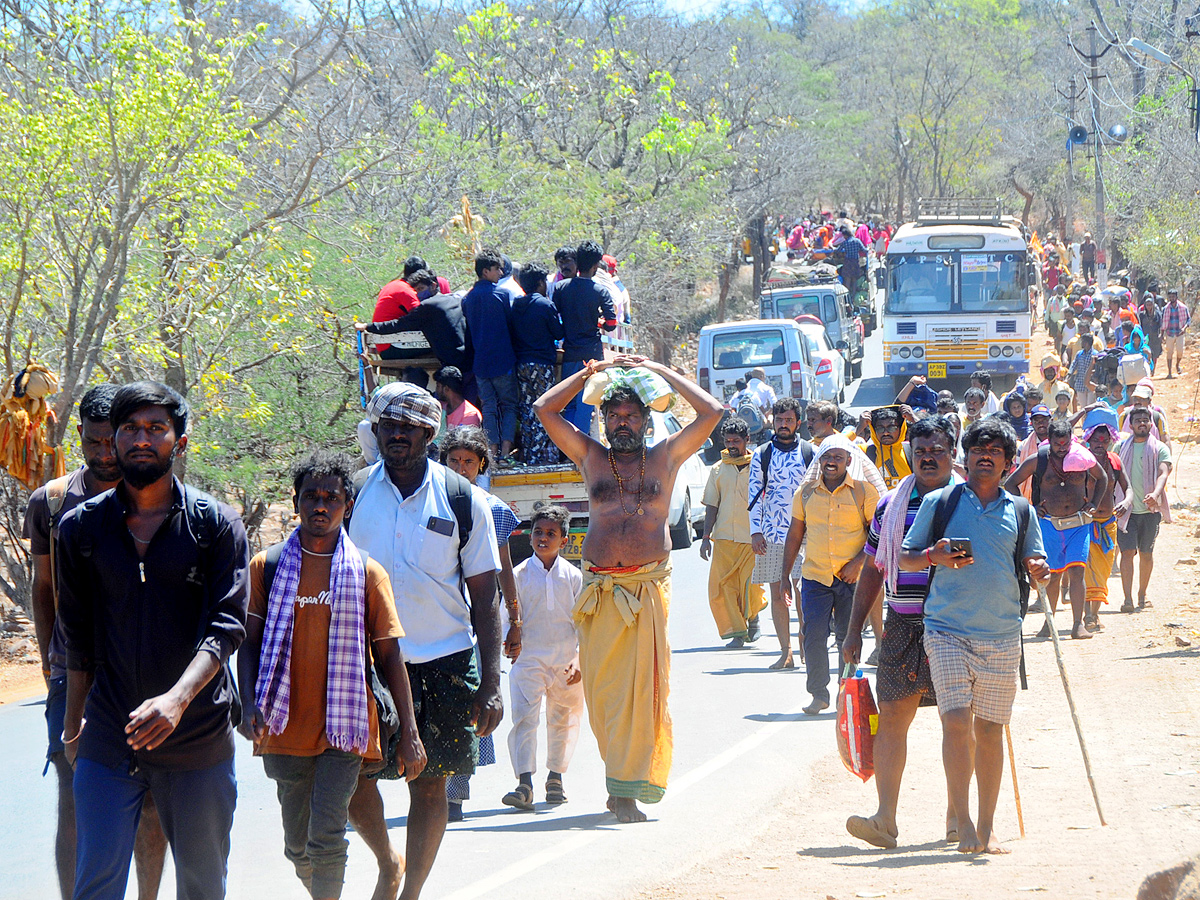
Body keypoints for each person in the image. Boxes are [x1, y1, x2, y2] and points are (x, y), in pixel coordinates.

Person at [57, 381, 250, 900]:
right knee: (94, 886)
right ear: (113, 441)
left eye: (156, 429)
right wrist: (74, 727)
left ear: (179, 441)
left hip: (196, 739)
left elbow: (226, 627)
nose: (142, 438)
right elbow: (76, 638)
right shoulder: (80, 529)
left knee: (201, 888)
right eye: (130, 429)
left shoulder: (216, 526)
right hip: (109, 737)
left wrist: (176, 700)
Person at [534, 354, 723, 821]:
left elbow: (713, 414)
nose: (622, 423)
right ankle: (616, 779)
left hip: (645, 591)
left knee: (644, 695)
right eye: (614, 415)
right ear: (603, 419)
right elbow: (544, 410)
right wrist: (589, 374)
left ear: (646, 419)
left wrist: (659, 371)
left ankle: (625, 791)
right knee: (603, 695)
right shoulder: (590, 456)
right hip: (599, 590)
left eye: (632, 415)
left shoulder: (666, 457)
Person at [238, 451, 425, 900]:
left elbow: (389, 656)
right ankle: (372, 868)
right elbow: (248, 642)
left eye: (332, 498)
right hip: (283, 724)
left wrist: (410, 732)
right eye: (311, 497)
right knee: (297, 848)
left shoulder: (366, 571)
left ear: (348, 506)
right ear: (296, 501)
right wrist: (246, 704)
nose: (320, 506)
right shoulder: (267, 566)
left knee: (326, 839)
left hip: (346, 726)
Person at [347, 383, 503, 900]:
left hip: (443, 661)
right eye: (388, 425)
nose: (396, 435)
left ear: (428, 433)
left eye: (408, 427)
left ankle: (409, 892)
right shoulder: (352, 493)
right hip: (364, 664)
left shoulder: (463, 499)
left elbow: (485, 598)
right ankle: (387, 864)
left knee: (431, 781)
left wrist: (491, 684)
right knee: (350, 776)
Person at [23, 385, 168, 900]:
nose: (105, 455)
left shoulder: (154, 494)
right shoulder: (53, 502)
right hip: (73, 672)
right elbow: (44, 589)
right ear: (79, 437)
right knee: (75, 794)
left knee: (151, 797)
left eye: (112, 442)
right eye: (93, 443)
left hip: (144, 671)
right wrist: (49, 666)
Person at [900, 418, 1048, 854]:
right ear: (966, 458)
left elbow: (1035, 563)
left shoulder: (1021, 510)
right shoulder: (941, 502)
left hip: (1002, 635)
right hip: (946, 630)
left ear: (1006, 462)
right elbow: (907, 558)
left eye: (996, 452)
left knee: (990, 730)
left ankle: (986, 827)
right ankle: (961, 823)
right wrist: (934, 556)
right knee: (956, 721)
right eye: (978, 450)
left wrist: (1039, 570)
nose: (986, 457)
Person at [842, 416, 960, 849]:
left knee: (957, 721)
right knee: (891, 718)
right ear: (911, 452)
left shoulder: (967, 503)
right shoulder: (890, 505)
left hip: (955, 627)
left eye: (938, 450)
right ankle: (884, 821)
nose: (928, 457)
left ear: (953, 453)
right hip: (901, 626)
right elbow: (874, 571)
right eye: (921, 449)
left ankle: (956, 820)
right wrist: (855, 630)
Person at [437, 426, 520, 820]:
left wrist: (515, 619)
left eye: (469, 461)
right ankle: (435, 785)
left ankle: (455, 792)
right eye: (453, 460)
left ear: (482, 465)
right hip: (436, 616)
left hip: (477, 621)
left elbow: (503, 568)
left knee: (470, 700)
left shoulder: (493, 509)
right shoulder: (429, 505)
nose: (461, 467)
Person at [781, 435, 880, 715]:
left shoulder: (863, 492)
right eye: (827, 457)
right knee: (812, 635)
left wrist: (859, 562)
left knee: (847, 638)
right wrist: (785, 576)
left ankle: (845, 693)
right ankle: (818, 694)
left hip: (852, 580)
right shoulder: (806, 493)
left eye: (838, 457)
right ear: (820, 461)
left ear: (849, 461)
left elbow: (877, 533)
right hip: (815, 577)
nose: (832, 462)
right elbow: (795, 535)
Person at [500, 506, 585, 811]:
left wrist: (580, 659)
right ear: (529, 535)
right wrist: (509, 642)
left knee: (564, 719)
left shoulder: (573, 577)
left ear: (564, 540)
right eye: (538, 532)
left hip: (566, 659)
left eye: (551, 534)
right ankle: (524, 784)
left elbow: (583, 622)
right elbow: (508, 616)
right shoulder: (519, 575)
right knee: (524, 718)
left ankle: (555, 779)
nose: (543, 538)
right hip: (529, 658)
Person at [1006, 418, 1107, 639]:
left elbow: (1103, 478)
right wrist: (1031, 507)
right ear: (1049, 440)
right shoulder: (1039, 460)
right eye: (1057, 444)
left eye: (1065, 444)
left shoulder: (1083, 458)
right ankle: (1048, 624)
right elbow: (1010, 484)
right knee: (1051, 574)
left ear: (1071, 439)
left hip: (1079, 524)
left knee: (1077, 571)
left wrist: (1094, 503)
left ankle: (1078, 625)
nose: (1062, 449)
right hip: (1049, 524)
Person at [748, 397, 815, 671]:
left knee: (804, 592)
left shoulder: (811, 452)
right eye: (779, 420)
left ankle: (806, 646)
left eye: (788, 420)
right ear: (772, 422)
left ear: (798, 423)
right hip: (773, 535)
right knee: (778, 592)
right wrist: (755, 531)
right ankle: (785, 651)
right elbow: (754, 495)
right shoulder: (761, 454)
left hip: (807, 535)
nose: (783, 425)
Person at [699, 417, 766, 648]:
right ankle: (737, 633)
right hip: (725, 538)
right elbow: (711, 505)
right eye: (728, 441)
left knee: (752, 584)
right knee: (724, 587)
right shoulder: (718, 469)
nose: (732, 445)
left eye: (736, 441)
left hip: (754, 537)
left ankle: (754, 618)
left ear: (747, 439)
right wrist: (706, 538)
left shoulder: (760, 465)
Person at [551, 240, 619, 435]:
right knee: (586, 403)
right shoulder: (600, 291)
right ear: (596, 266)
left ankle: (566, 446)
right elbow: (612, 323)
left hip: (570, 353)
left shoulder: (560, 288)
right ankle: (578, 448)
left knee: (570, 402)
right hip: (592, 357)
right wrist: (600, 323)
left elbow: (554, 317)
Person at [461, 248, 520, 464]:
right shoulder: (501, 295)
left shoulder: (467, 300)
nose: (500, 272)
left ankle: (492, 452)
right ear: (486, 271)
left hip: (481, 364)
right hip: (503, 361)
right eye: (497, 269)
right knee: (510, 405)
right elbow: (511, 327)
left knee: (488, 407)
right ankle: (506, 451)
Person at [1115, 406, 1172, 613]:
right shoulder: (1120, 447)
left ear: (1150, 424)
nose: (1141, 423)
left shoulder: (1159, 448)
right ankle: (1128, 598)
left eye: (1145, 421)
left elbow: (1163, 473)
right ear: (1130, 425)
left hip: (1150, 511)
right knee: (1127, 552)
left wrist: (1156, 494)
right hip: (1126, 510)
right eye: (1137, 420)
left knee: (1146, 553)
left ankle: (1142, 594)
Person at [510, 262, 565, 465]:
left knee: (527, 410)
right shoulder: (545, 305)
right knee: (546, 408)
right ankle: (545, 457)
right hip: (542, 365)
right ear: (541, 283)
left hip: (521, 364)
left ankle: (530, 455)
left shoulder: (516, 305)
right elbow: (558, 332)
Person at [1080, 410, 1130, 630]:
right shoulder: (1079, 461)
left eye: (1104, 439)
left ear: (1111, 440)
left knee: (1101, 572)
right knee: (1083, 570)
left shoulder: (1115, 461)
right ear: (1088, 439)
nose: (1100, 443)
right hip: (1083, 524)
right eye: (1096, 439)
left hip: (1108, 524)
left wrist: (1126, 503)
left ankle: (1094, 613)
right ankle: (1087, 616)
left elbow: (1128, 490)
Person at [863, 406, 912, 490]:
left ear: (901, 428)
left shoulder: (912, 450)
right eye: (880, 428)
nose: (885, 433)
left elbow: (937, 442)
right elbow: (835, 445)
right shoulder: (866, 452)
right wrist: (859, 428)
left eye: (891, 427)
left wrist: (914, 419)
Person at [1119, 383, 1171, 449]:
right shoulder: (1124, 416)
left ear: (1149, 401)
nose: (1137, 402)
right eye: (1135, 399)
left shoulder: (1157, 417)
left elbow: (1165, 440)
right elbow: (1118, 439)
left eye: (1141, 399)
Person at [1163, 288, 1190, 377]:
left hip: (1180, 333)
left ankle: (1177, 365)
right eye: (1170, 297)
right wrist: (1162, 333)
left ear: (1176, 297)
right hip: (1169, 333)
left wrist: (1184, 328)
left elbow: (1188, 320)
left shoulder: (1183, 307)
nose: (1172, 298)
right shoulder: (1165, 308)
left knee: (1180, 352)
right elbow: (1163, 321)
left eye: (1173, 296)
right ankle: (1169, 372)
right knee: (1169, 352)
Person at [1067, 333, 1096, 409]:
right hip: (1080, 384)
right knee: (1083, 408)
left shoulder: (1095, 354)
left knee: (1090, 406)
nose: (1081, 343)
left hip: (1091, 384)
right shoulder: (1079, 354)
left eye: (1082, 341)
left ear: (1087, 343)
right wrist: (1069, 375)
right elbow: (1074, 364)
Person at [1140, 295, 1163, 367]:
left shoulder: (1157, 314)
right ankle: (1148, 367)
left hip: (1155, 336)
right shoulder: (1142, 315)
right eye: (1147, 305)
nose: (1149, 306)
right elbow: (1140, 325)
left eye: (1150, 305)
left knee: (1155, 354)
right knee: (1146, 352)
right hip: (1146, 337)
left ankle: (1153, 368)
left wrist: (1161, 335)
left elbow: (1161, 325)